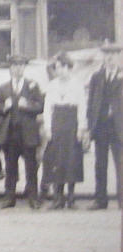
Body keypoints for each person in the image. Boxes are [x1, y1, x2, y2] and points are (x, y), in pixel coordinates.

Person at [0, 55, 44, 209]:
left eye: (21, 65)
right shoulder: (4, 87)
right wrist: (4, 106)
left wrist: (27, 104)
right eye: (15, 66)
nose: (18, 68)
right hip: (10, 133)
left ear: (24, 68)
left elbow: (41, 106)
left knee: (31, 166)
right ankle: (9, 198)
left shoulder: (32, 85)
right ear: (10, 68)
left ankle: (33, 198)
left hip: (28, 132)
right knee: (10, 166)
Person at [43, 52, 88, 209]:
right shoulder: (52, 85)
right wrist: (48, 128)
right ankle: (58, 198)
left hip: (71, 122)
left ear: (69, 68)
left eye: (63, 67)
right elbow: (47, 108)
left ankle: (71, 197)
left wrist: (81, 127)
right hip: (57, 122)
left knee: (72, 160)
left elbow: (82, 107)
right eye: (57, 68)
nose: (60, 71)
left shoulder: (77, 85)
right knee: (57, 160)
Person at [87, 42, 122, 210]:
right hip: (100, 126)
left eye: (114, 54)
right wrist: (89, 126)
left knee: (121, 164)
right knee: (100, 165)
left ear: (119, 57)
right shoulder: (97, 77)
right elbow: (91, 103)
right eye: (107, 54)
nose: (110, 58)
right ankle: (100, 200)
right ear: (103, 57)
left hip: (119, 128)